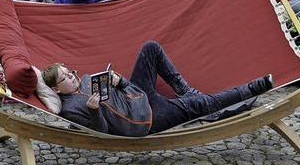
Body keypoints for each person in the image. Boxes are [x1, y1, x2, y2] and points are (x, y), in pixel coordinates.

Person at [42, 41, 273, 136]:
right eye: (65, 78)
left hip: (137, 96)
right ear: (57, 90)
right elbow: (102, 134)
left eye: (69, 72)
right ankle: (254, 88)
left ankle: (183, 89)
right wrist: (94, 110)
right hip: (145, 118)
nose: (72, 77)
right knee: (201, 104)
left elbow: (127, 90)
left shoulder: (85, 80)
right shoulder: (70, 109)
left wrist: (119, 81)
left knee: (150, 47)